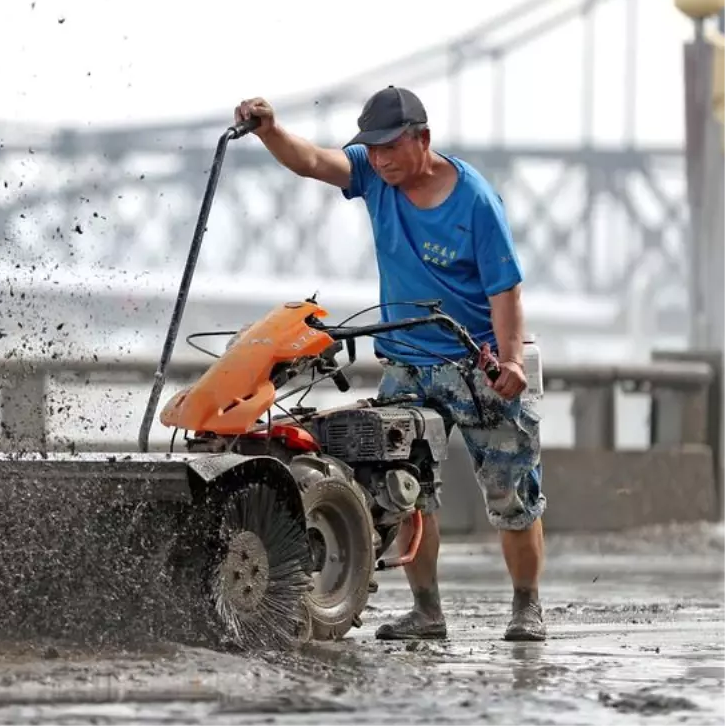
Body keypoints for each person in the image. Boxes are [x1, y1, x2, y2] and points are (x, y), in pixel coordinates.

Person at [234, 87, 546, 643]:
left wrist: (514, 363)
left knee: (511, 494)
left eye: (390, 147)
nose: (379, 159)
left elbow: (507, 291)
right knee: (405, 494)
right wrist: (269, 131)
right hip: (407, 361)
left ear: (422, 139)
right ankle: (427, 613)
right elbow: (310, 161)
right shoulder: (373, 177)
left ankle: (527, 607)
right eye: (371, 149)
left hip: (479, 363)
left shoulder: (474, 200)